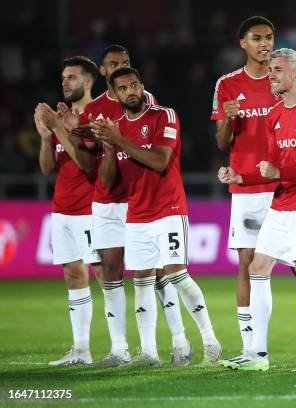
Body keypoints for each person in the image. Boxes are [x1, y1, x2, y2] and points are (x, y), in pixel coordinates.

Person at [213, 16, 296, 364]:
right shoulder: (227, 84)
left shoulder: (292, 79)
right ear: (243, 43)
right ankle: (251, 348)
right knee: (249, 264)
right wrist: (228, 120)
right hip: (249, 185)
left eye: (269, 37)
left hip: (290, 185)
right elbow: (222, 141)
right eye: (257, 38)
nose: (265, 44)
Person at [92, 67, 221, 367]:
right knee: (141, 281)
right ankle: (149, 351)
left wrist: (120, 140)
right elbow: (109, 181)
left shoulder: (165, 116)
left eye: (134, 84)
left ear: (142, 85)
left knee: (177, 274)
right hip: (136, 215)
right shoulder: (117, 128)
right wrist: (110, 147)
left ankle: (210, 340)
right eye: (123, 88)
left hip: (169, 210)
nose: (131, 91)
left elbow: (161, 161)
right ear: (116, 94)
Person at [77, 44, 189, 367]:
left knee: (155, 273)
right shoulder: (94, 109)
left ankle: (179, 341)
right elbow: (88, 153)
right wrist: (77, 133)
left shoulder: (146, 102)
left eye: (125, 64)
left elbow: (153, 150)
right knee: (111, 271)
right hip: (106, 200)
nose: (119, 68)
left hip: (138, 199)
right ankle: (118, 348)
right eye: (113, 65)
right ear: (104, 75)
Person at [34, 56, 101, 365]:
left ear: (88, 82)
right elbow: (48, 169)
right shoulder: (64, 117)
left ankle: (122, 347)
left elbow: (88, 167)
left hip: (92, 209)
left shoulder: (97, 117)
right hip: (62, 209)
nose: (65, 82)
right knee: (74, 276)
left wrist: (59, 129)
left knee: (104, 276)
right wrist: (47, 139)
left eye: (72, 77)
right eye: (63, 77)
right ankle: (81, 350)